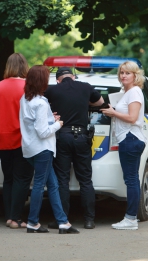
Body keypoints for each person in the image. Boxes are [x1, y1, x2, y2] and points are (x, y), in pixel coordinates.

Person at [20, 65, 79, 234]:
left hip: (30, 147)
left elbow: (32, 124)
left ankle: (63, 222)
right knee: (39, 185)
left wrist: (50, 119)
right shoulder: (40, 103)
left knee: (52, 185)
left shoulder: (25, 99)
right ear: (41, 81)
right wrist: (58, 124)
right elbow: (43, 131)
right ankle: (32, 222)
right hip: (43, 149)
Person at [44, 67, 104, 229]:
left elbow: (41, 106)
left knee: (62, 180)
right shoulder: (85, 86)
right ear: (73, 77)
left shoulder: (51, 90)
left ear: (58, 79)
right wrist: (84, 101)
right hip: (82, 138)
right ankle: (89, 220)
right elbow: (100, 103)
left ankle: (61, 219)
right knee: (85, 179)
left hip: (62, 137)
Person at [100, 61, 146, 230]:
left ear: (135, 75)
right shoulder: (126, 92)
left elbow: (132, 118)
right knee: (132, 179)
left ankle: (131, 219)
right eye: (121, 73)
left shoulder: (134, 92)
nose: (123, 76)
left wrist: (113, 113)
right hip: (129, 139)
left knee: (131, 180)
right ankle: (132, 216)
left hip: (130, 138)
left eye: (128, 73)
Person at [0, 53, 34, 229]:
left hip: (2, 138)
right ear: (24, 66)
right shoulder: (27, 87)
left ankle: (9, 216)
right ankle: (16, 218)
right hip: (22, 139)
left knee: (8, 179)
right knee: (22, 179)